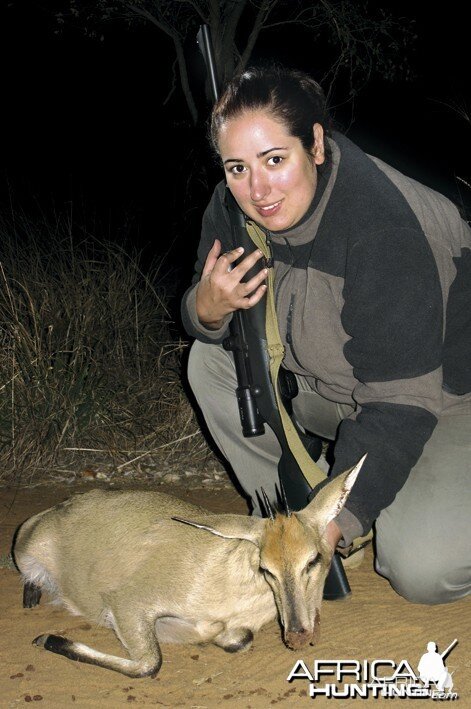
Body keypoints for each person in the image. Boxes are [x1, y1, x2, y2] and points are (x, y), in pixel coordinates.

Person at [181, 65, 471, 605]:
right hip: (338, 388)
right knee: (208, 361)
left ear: (316, 143)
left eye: (274, 160)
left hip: (442, 400)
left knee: (425, 572)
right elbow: (214, 324)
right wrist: (206, 308)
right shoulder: (231, 206)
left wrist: (336, 525)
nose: (258, 190)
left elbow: (401, 402)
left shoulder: (382, 229)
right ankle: (281, 528)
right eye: (237, 167)